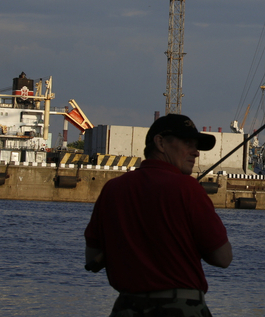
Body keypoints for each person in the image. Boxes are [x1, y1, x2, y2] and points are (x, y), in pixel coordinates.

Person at [84, 114, 232, 316]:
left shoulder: (112, 189)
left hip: (126, 308)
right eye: (188, 143)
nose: (196, 152)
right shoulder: (188, 188)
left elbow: (92, 257)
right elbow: (223, 258)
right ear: (160, 142)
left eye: (196, 145)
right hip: (180, 309)